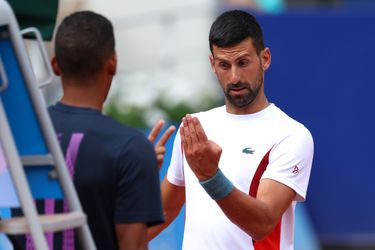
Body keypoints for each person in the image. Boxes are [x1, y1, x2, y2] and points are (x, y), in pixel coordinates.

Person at [148, 10, 314, 250]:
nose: (234, 77)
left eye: (243, 63)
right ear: (212, 64)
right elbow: (162, 212)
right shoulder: (195, 127)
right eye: (224, 65)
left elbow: (263, 223)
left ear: (265, 58)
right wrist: (136, 180)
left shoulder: (291, 135)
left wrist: (210, 177)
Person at [46, 11, 175, 250]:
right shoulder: (130, 149)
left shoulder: (20, 138)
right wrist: (138, 166)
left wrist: (138, 177)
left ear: (55, 65)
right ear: (113, 63)